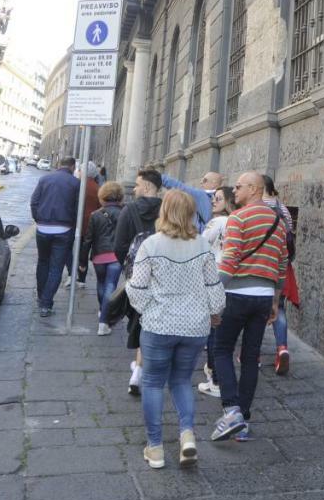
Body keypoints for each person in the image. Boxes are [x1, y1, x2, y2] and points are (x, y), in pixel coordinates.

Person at [127, 189, 226, 469]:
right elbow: (214, 289)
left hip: (159, 325)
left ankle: (156, 448)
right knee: (182, 381)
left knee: (153, 383)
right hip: (194, 327)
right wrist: (212, 313)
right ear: (191, 213)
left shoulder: (151, 245)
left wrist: (150, 309)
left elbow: (136, 288)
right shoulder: (203, 246)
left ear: (165, 211)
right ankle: (187, 436)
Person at [211, 171, 288, 442]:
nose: (235, 190)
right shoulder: (278, 221)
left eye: (240, 186)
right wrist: (276, 300)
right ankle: (242, 419)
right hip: (263, 296)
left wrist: (214, 294)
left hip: (237, 293)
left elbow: (230, 259)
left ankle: (231, 409)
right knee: (251, 355)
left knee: (221, 348)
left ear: (254, 189)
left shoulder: (238, 217)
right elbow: (282, 264)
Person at [116, 168, 163, 395]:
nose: (133, 189)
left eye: (136, 185)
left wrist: (130, 268)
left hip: (137, 277)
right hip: (164, 277)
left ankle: (140, 369)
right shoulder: (168, 209)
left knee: (140, 318)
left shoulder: (130, 210)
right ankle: (140, 368)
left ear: (146, 186)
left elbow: (119, 245)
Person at [30, 156, 80, 317]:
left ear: (59, 165)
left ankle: (41, 297)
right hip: (63, 230)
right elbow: (78, 209)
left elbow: (34, 202)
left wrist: (39, 219)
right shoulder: (75, 183)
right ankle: (46, 304)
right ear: (72, 167)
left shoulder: (44, 179)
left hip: (43, 229)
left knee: (42, 262)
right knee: (56, 268)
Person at [197, 185, 234, 398]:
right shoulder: (237, 221)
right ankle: (218, 374)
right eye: (213, 198)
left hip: (214, 276)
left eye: (218, 199)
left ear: (228, 201)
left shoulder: (217, 222)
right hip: (231, 278)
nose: (213, 202)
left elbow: (201, 245)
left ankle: (215, 377)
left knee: (214, 328)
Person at [263, 174, 296, 376]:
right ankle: (282, 348)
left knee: (256, 311)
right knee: (280, 308)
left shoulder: (254, 208)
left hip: (259, 267)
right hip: (281, 265)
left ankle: (252, 354)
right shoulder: (283, 209)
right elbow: (290, 236)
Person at [87, 181, 125, 336]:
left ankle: (103, 312)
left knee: (102, 284)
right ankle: (104, 321)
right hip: (116, 256)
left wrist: (83, 261)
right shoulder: (125, 212)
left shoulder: (95, 215)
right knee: (111, 286)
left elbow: (88, 239)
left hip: (98, 256)